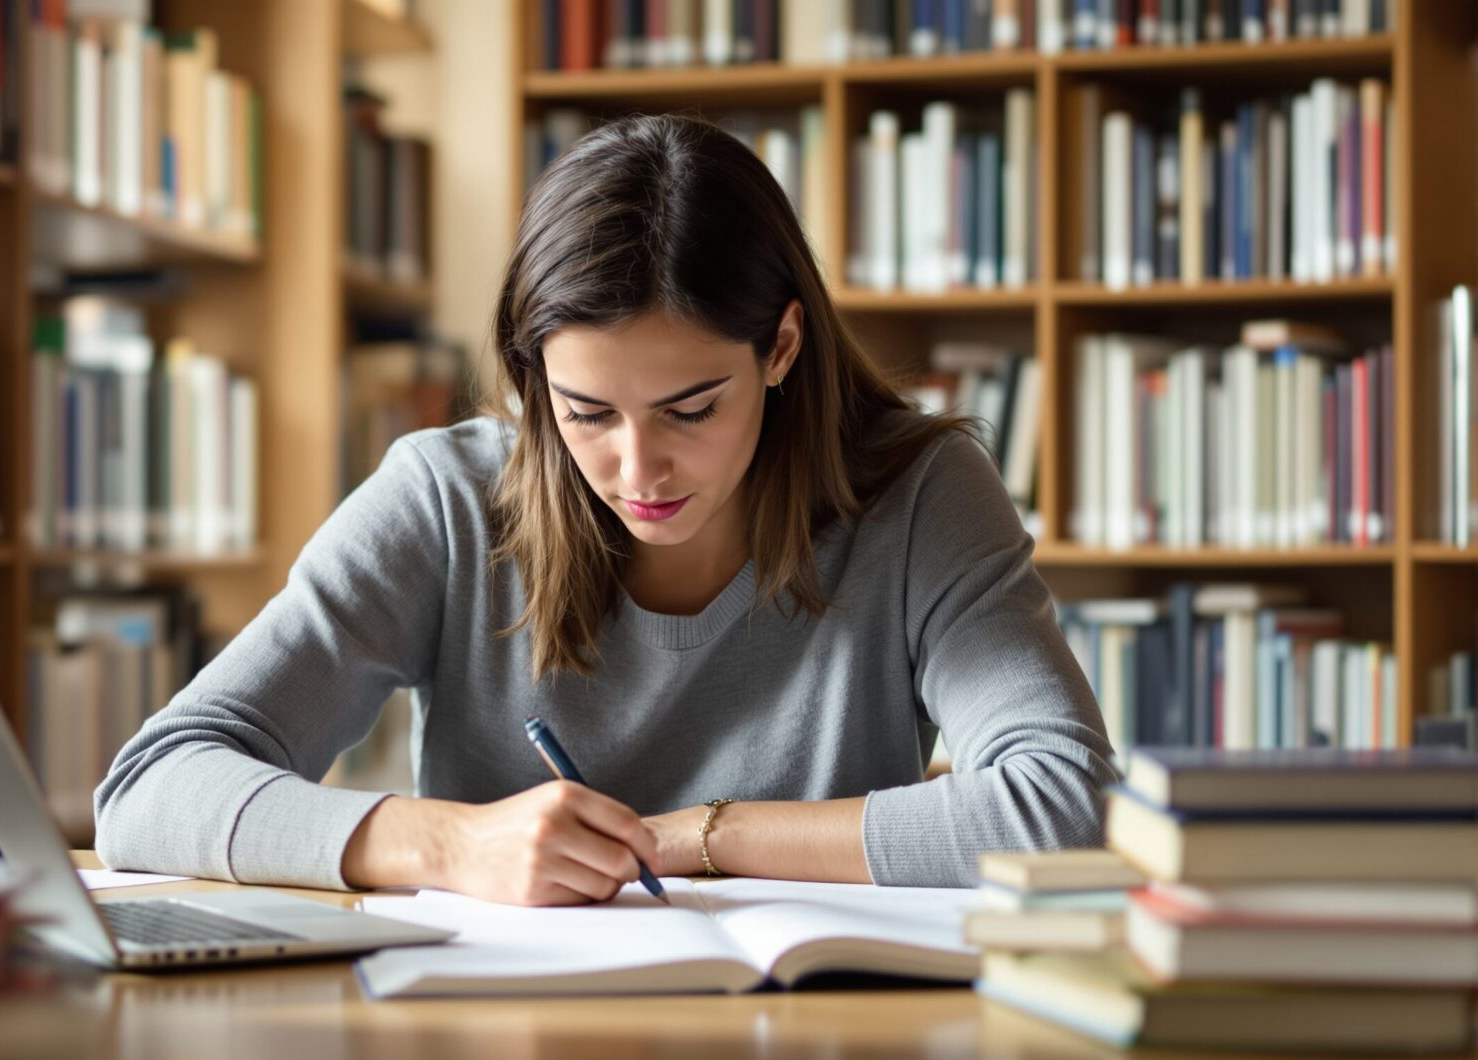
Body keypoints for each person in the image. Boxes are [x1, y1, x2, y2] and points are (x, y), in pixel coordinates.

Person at [95, 114, 1115, 906]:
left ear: (783, 348)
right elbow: (149, 788)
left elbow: (1066, 805)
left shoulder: (922, 496)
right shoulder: (447, 497)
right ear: (536, 378)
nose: (639, 469)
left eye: (690, 408)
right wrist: (452, 844)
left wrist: (690, 835)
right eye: (586, 411)